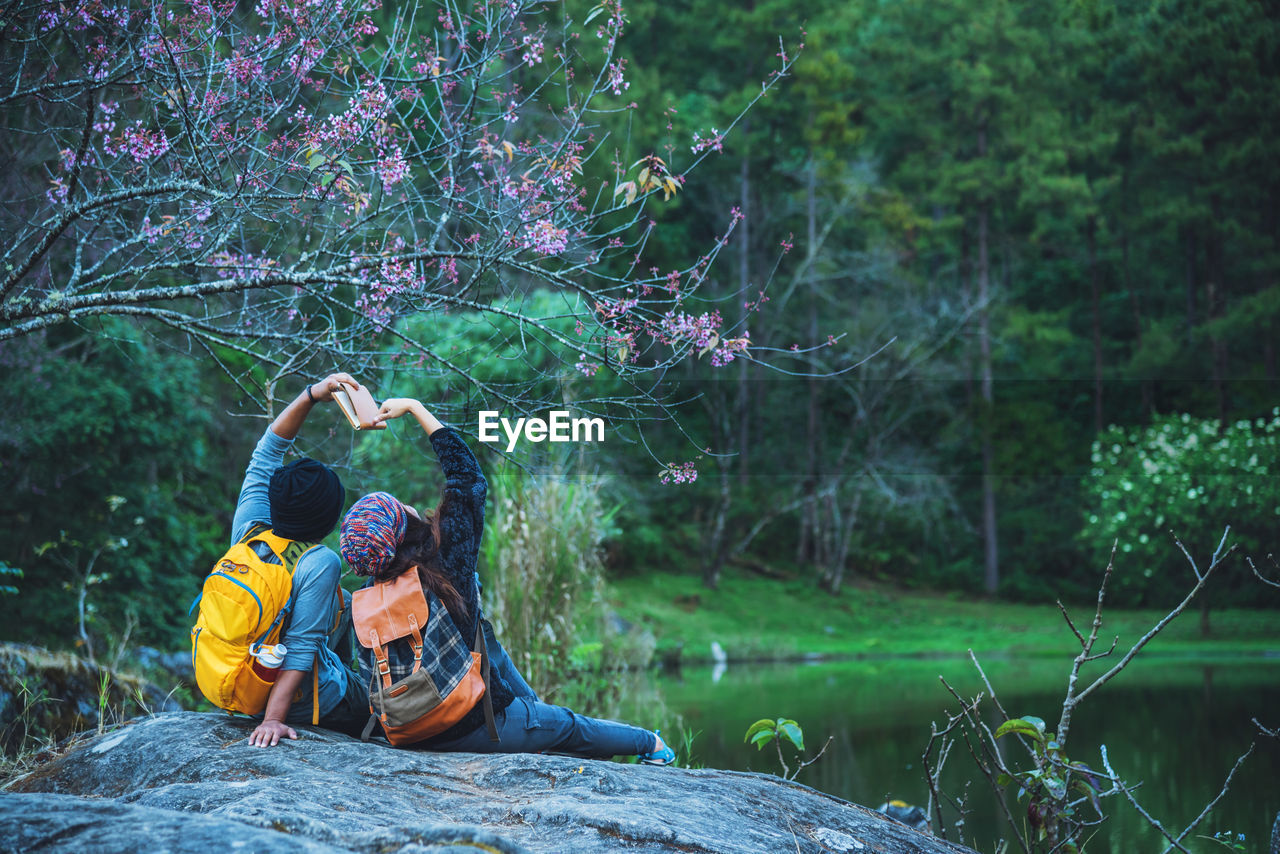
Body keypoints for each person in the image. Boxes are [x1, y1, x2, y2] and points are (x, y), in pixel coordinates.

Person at [338, 397, 675, 764]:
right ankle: (651, 744)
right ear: (402, 526)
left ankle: (533, 722)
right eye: (398, 506)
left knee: (495, 654)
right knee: (566, 724)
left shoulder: (365, 598)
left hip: (409, 734)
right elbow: (467, 479)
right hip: (474, 725)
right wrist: (417, 408)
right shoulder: (443, 562)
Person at [233, 373, 368, 748]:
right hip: (302, 699)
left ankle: (341, 668)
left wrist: (312, 394)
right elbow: (301, 646)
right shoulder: (320, 562)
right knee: (383, 699)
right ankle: (347, 681)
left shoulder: (250, 530)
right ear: (327, 524)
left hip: (243, 671)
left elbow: (267, 451)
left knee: (349, 602)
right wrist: (273, 721)